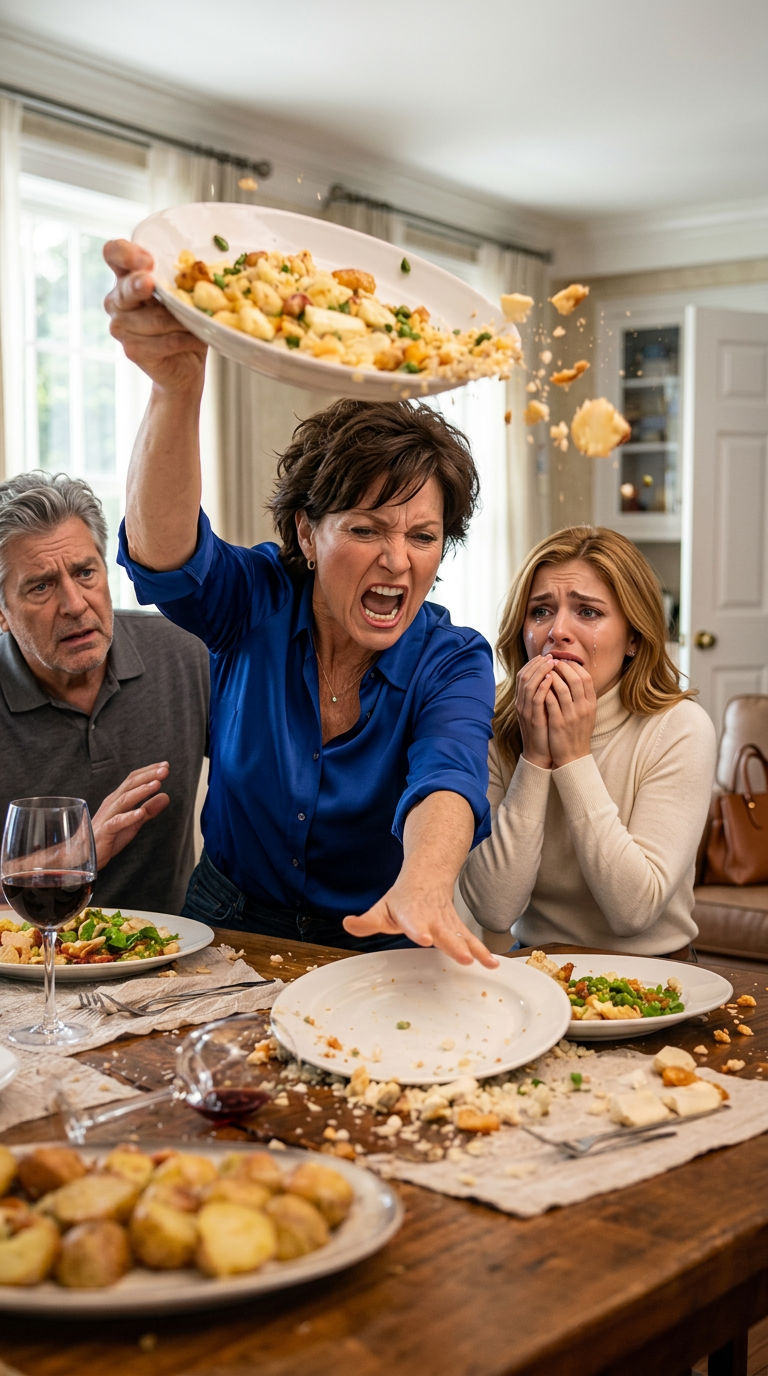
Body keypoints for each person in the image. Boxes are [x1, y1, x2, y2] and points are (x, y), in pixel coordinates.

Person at [103, 238, 498, 968]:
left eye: (423, 535)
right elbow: (163, 558)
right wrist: (175, 386)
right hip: (224, 920)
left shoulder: (453, 660)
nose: (395, 558)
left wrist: (424, 884)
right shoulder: (254, 601)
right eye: (365, 528)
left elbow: (450, 777)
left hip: (374, 940)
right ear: (306, 536)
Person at [460, 526, 717, 957]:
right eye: (541, 611)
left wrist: (574, 757)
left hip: (655, 972)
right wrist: (536, 757)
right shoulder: (495, 722)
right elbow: (494, 910)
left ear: (633, 637)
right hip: (538, 965)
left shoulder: (681, 729)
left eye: (588, 612)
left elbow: (634, 911)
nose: (557, 631)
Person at [0, 471, 209, 914]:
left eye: (85, 572)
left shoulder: (185, 653)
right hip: (18, 971)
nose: (75, 604)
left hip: (169, 959)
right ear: (2, 613)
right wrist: (77, 854)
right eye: (41, 586)